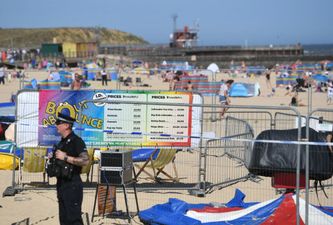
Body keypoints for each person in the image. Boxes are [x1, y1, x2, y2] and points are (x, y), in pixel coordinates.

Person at [53, 112, 89, 225]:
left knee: (73, 219)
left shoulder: (76, 141)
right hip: (61, 183)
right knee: (64, 219)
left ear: (66, 125)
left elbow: (85, 160)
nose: (56, 125)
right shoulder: (62, 142)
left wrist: (66, 157)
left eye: (58, 123)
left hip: (72, 184)